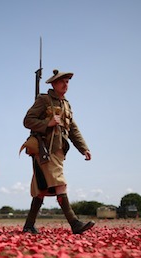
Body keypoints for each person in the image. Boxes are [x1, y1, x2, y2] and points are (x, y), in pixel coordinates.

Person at [21, 69, 95, 235]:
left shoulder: (66, 105)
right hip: (45, 149)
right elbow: (27, 121)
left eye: (67, 81)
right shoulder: (44, 100)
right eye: (62, 81)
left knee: (42, 189)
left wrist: (84, 148)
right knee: (60, 184)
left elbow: (73, 129)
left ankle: (28, 225)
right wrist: (47, 123)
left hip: (59, 151)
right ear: (53, 84)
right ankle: (74, 223)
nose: (65, 84)